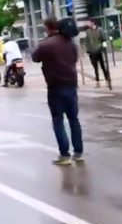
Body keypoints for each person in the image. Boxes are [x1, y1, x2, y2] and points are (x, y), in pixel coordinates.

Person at [32, 18, 84, 165]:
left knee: (58, 121)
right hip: (71, 85)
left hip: (55, 87)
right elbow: (74, 59)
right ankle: (78, 153)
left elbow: (35, 57)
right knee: (74, 120)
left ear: (48, 28)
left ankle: (65, 155)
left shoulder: (46, 44)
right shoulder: (70, 43)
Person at [83, 20, 110, 86]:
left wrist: (104, 48)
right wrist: (87, 50)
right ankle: (97, 81)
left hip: (99, 50)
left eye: (89, 23)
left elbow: (103, 39)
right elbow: (87, 41)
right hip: (92, 52)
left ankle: (107, 80)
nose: (88, 24)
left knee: (103, 66)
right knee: (95, 67)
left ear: (93, 23)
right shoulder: (88, 31)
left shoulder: (100, 30)